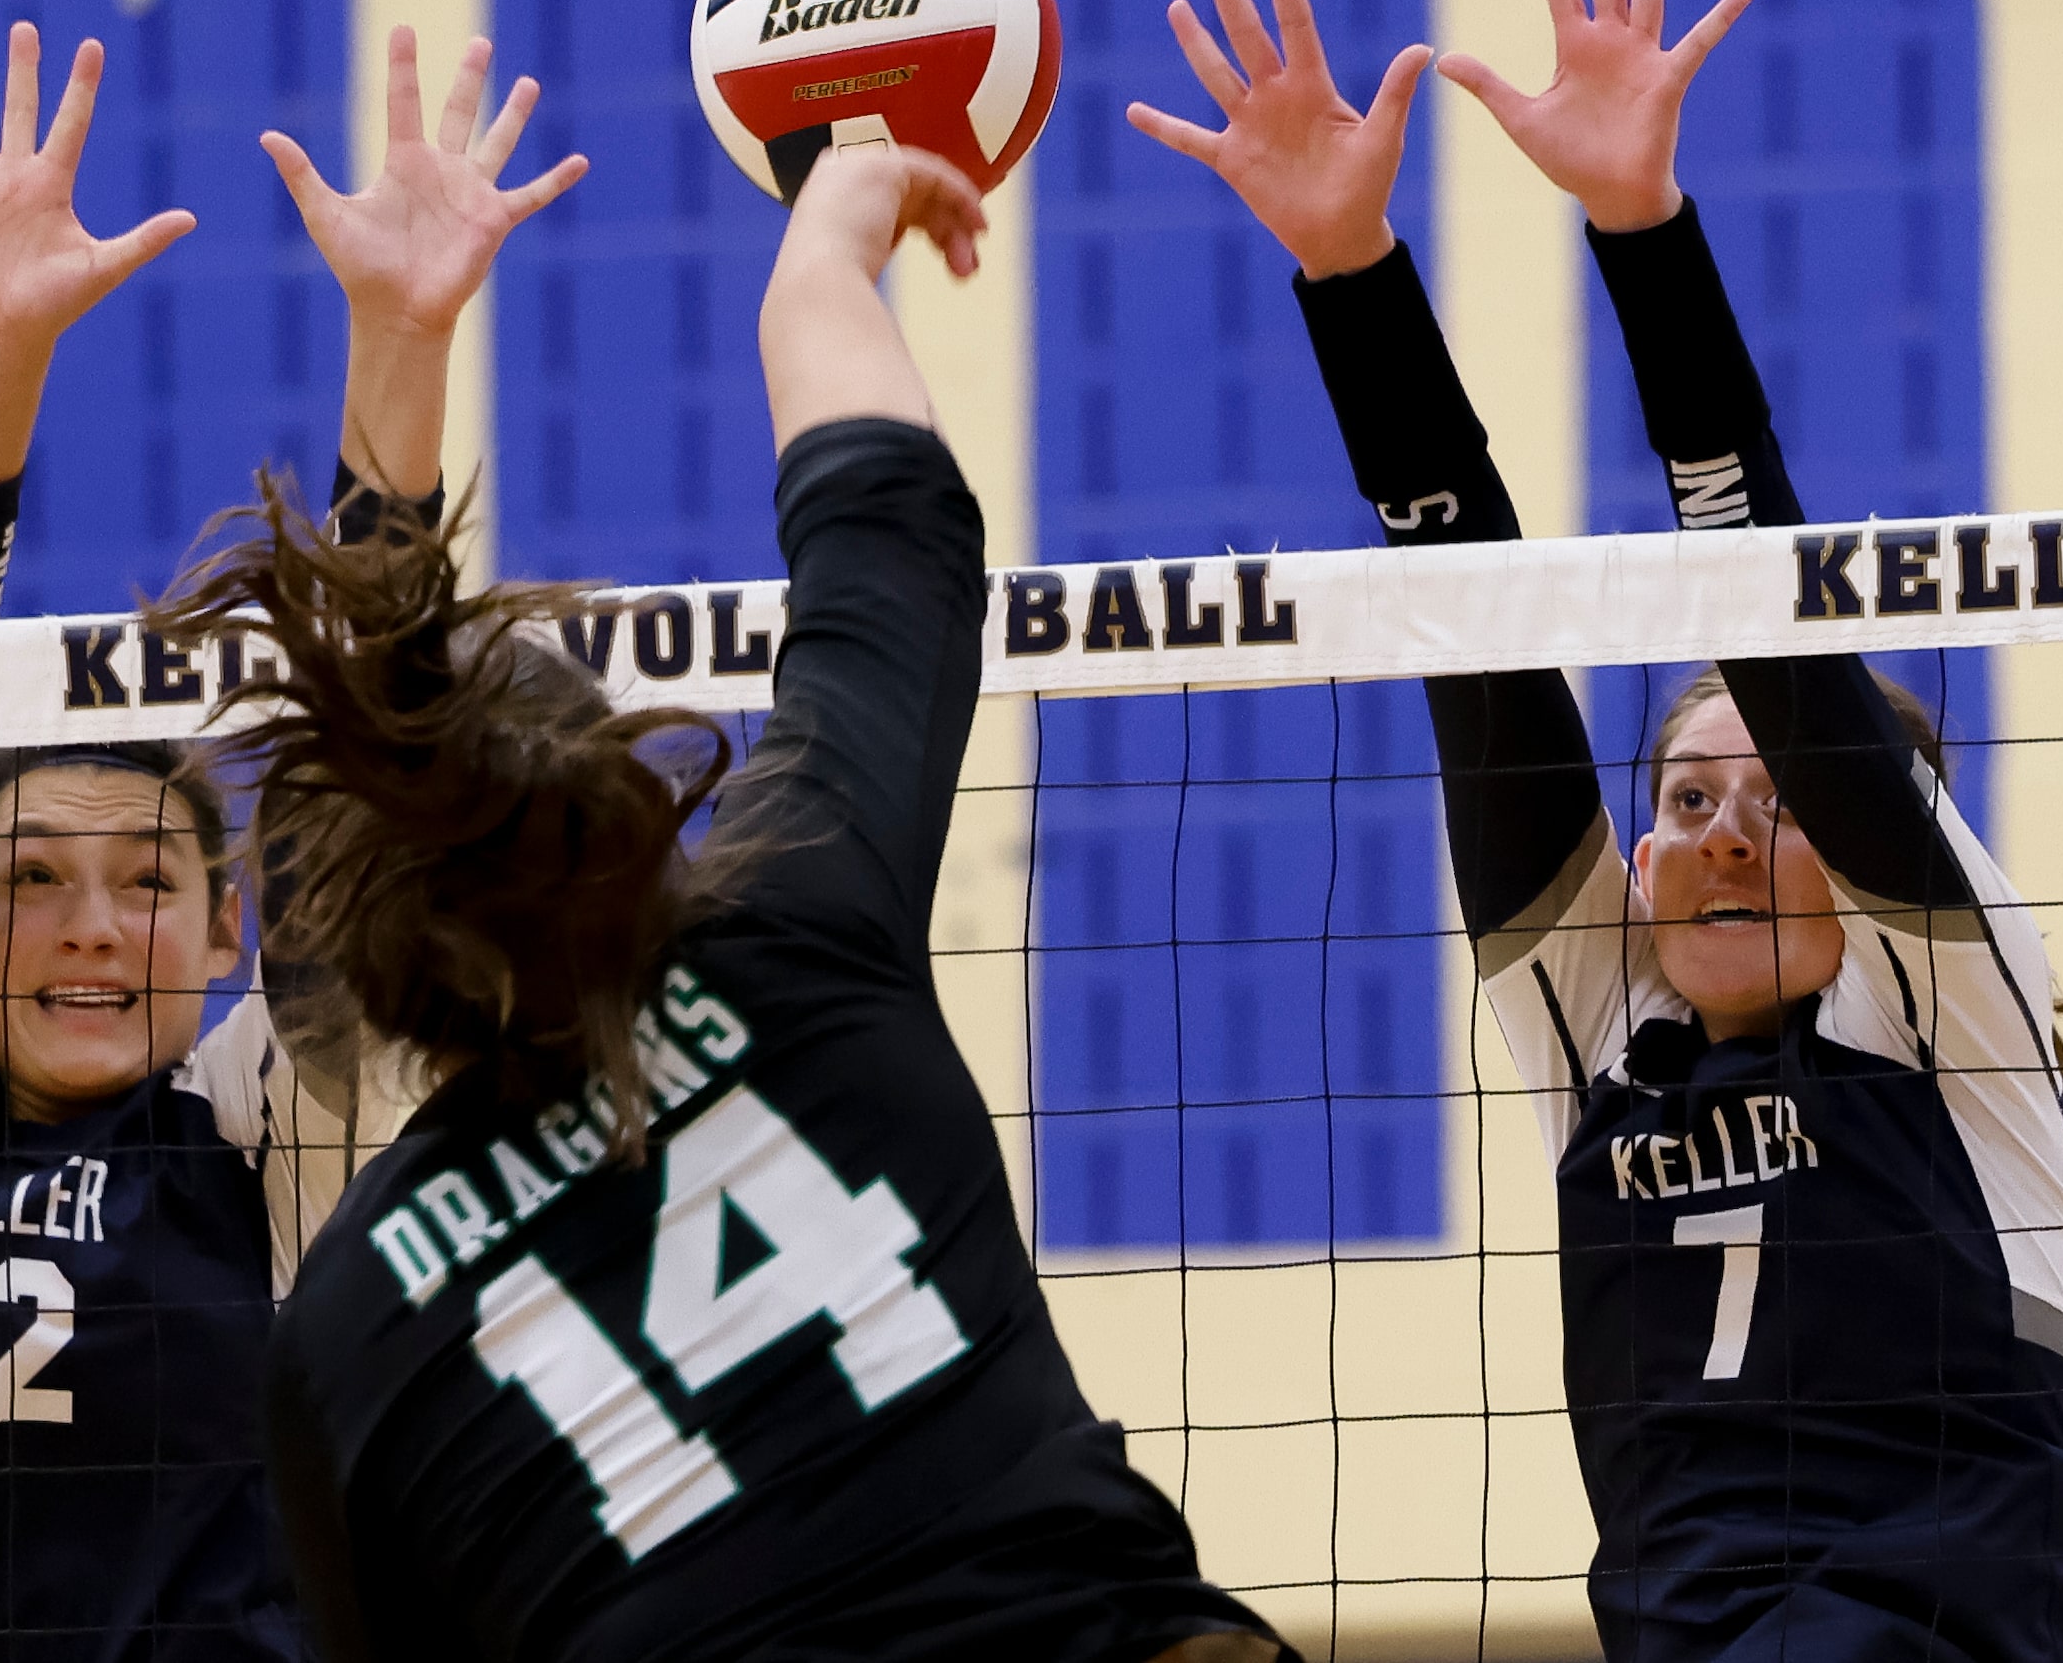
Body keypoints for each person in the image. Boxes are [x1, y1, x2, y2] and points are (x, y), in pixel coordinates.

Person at [1130, 0, 2063, 1661]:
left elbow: (1774, 618)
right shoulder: (1600, 1020)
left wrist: (1638, 231)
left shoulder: (1951, 1005)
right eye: (1682, 802)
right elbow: (1477, 638)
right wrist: (1350, 278)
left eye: (1783, 802)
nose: (1728, 837)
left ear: (1884, 850)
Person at [152, 141, 1289, 1663]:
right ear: (628, 799)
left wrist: (398, 347)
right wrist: (820, 248)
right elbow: (890, 530)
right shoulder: (798, 926)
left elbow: (394, 773)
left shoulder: (347, 1333)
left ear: (360, 958)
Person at [0, 18, 584, 1662]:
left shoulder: (263, 1134)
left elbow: (345, 793)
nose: (91, 924)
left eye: (150, 882)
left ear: (225, 938)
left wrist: (400, 345)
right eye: (33, 881)